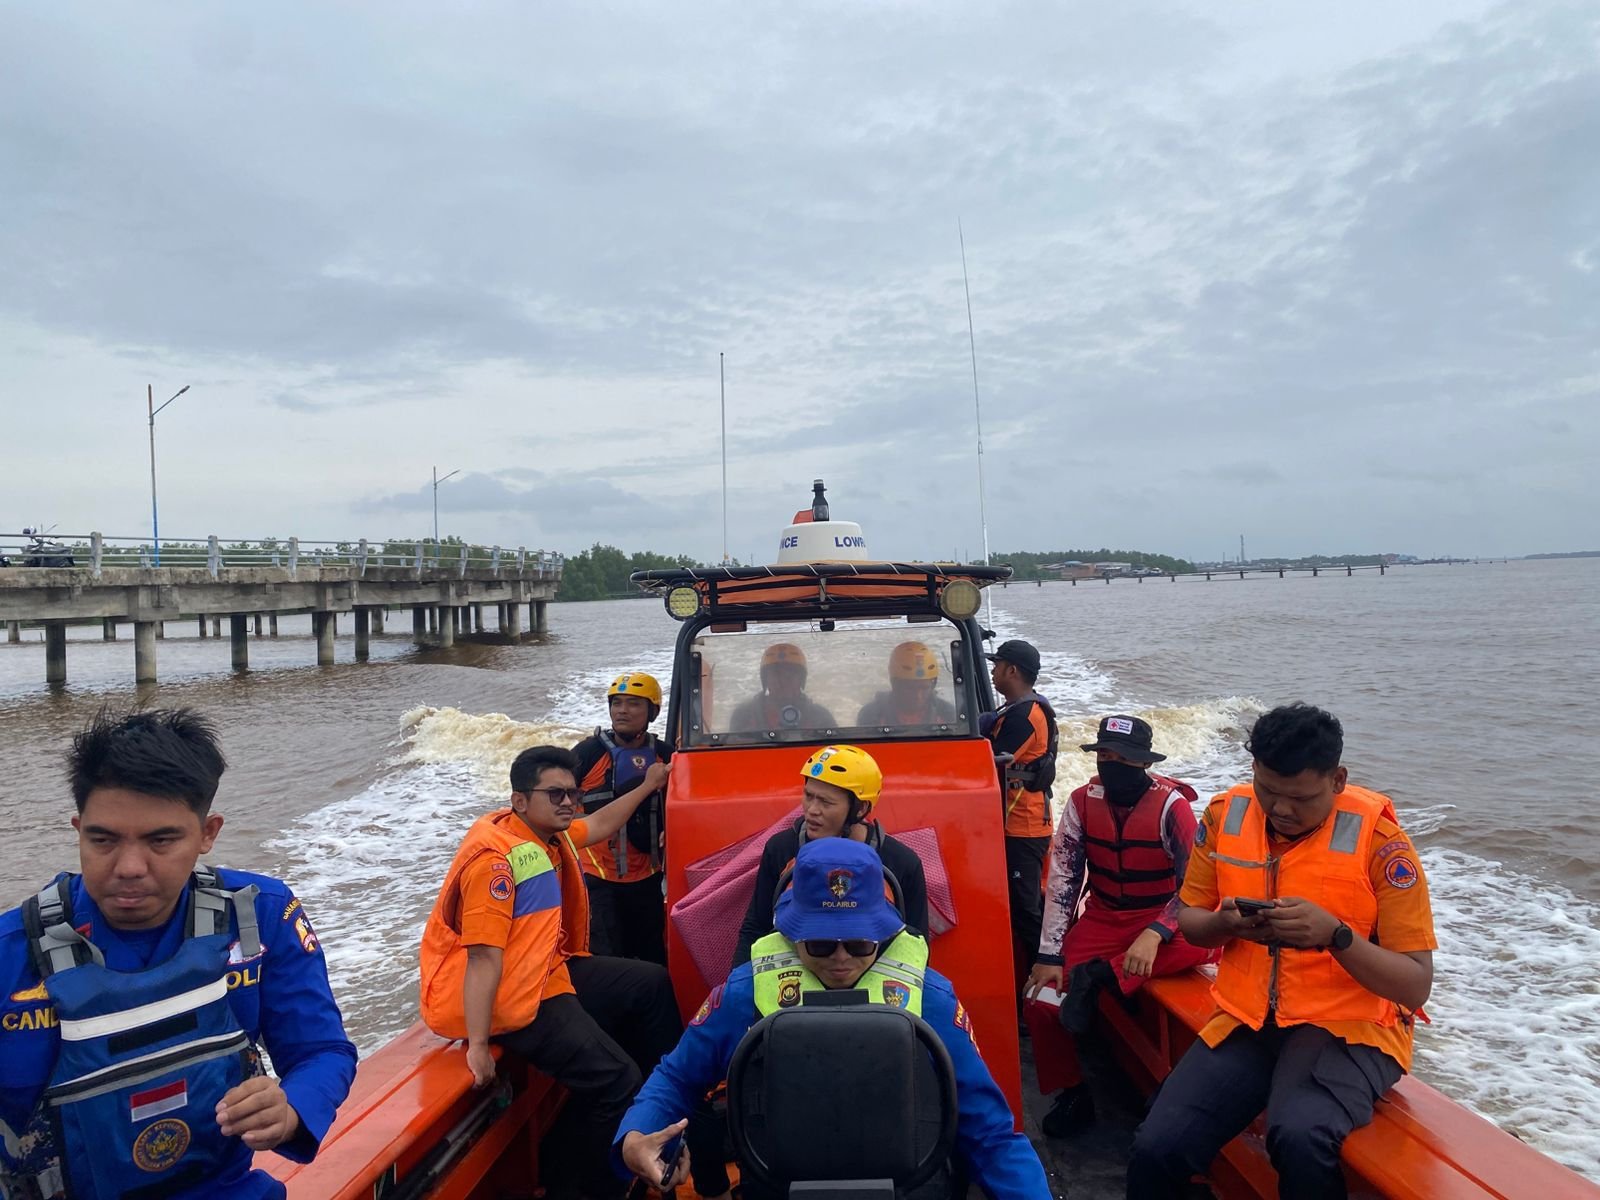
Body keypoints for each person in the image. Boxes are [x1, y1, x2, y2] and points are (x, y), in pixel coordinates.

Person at [0, 708, 357, 1200]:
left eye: (161, 840)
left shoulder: (261, 917)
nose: (128, 867)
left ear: (208, 832)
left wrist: (292, 1107)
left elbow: (322, 1051)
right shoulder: (11, 953)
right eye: (102, 839)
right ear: (77, 828)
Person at [613, 839, 1052, 1200]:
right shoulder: (744, 995)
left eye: (860, 944)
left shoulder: (929, 1000)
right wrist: (636, 1137)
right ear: (789, 933)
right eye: (821, 945)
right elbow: (676, 1078)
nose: (841, 960)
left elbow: (991, 1133)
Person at [1126, 704, 1437, 1199]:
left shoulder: (1383, 844)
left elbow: (1416, 982)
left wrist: (1336, 936)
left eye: (1301, 797)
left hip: (1350, 1027)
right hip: (1248, 1018)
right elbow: (1191, 920)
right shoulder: (1225, 816)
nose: (1281, 809)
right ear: (1254, 770)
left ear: (1338, 780)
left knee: (1299, 1136)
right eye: (1268, 790)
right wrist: (1226, 923)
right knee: (1156, 1146)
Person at [418, 745, 683, 1200]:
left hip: (543, 971)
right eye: (556, 793)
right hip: (511, 997)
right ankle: (598, 1187)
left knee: (650, 984)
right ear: (520, 800)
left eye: (573, 794)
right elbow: (482, 957)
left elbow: (600, 824)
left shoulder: (546, 837)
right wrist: (479, 1046)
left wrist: (648, 785)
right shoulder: (495, 863)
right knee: (618, 1081)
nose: (568, 803)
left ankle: (671, 1103)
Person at [1023, 714, 1216, 1136]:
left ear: (1143, 762)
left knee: (1208, 941)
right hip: (1105, 916)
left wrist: (1157, 931)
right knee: (1040, 998)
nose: (1112, 765)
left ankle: (1100, 978)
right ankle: (1074, 1093)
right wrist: (1049, 954)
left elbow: (1199, 887)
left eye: (1123, 757)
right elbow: (1064, 880)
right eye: (1105, 755)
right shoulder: (1080, 802)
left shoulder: (1173, 807)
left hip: (1166, 916)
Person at [733, 743, 929, 966]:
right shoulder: (781, 849)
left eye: (826, 802)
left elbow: (916, 943)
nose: (812, 810)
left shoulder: (902, 863)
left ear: (861, 808)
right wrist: (737, 987)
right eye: (809, 796)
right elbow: (756, 927)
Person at [571, 672, 672, 964]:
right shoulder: (588, 754)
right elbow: (554, 801)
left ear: (652, 711)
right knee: (605, 959)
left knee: (653, 960)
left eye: (633, 704)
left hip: (648, 876)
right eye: (616, 703)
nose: (622, 710)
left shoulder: (666, 756)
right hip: (597, 876)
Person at [982, 639, 1059, 1002]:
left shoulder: (1026, 715)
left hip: (1024, 826)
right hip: (1014, 823)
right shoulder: (1013, 710)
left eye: (998, 666)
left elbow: (992, 757)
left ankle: (1042, 988)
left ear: (1012, 670)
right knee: (1020, 907)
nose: (993, 672)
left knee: (1027, 911)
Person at [728, 643, 836, 732]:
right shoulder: (744, 715)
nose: (783, 681)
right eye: (776, 674)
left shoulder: (821, 717)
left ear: (801, 680)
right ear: (765, 680)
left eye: (790, 674)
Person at [855, 641, 958, 727]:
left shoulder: (947, 714)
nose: (918, 696)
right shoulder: (871, 715)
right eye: (910, 688)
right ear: (895, 684)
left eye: (924, 688)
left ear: (933, 685)